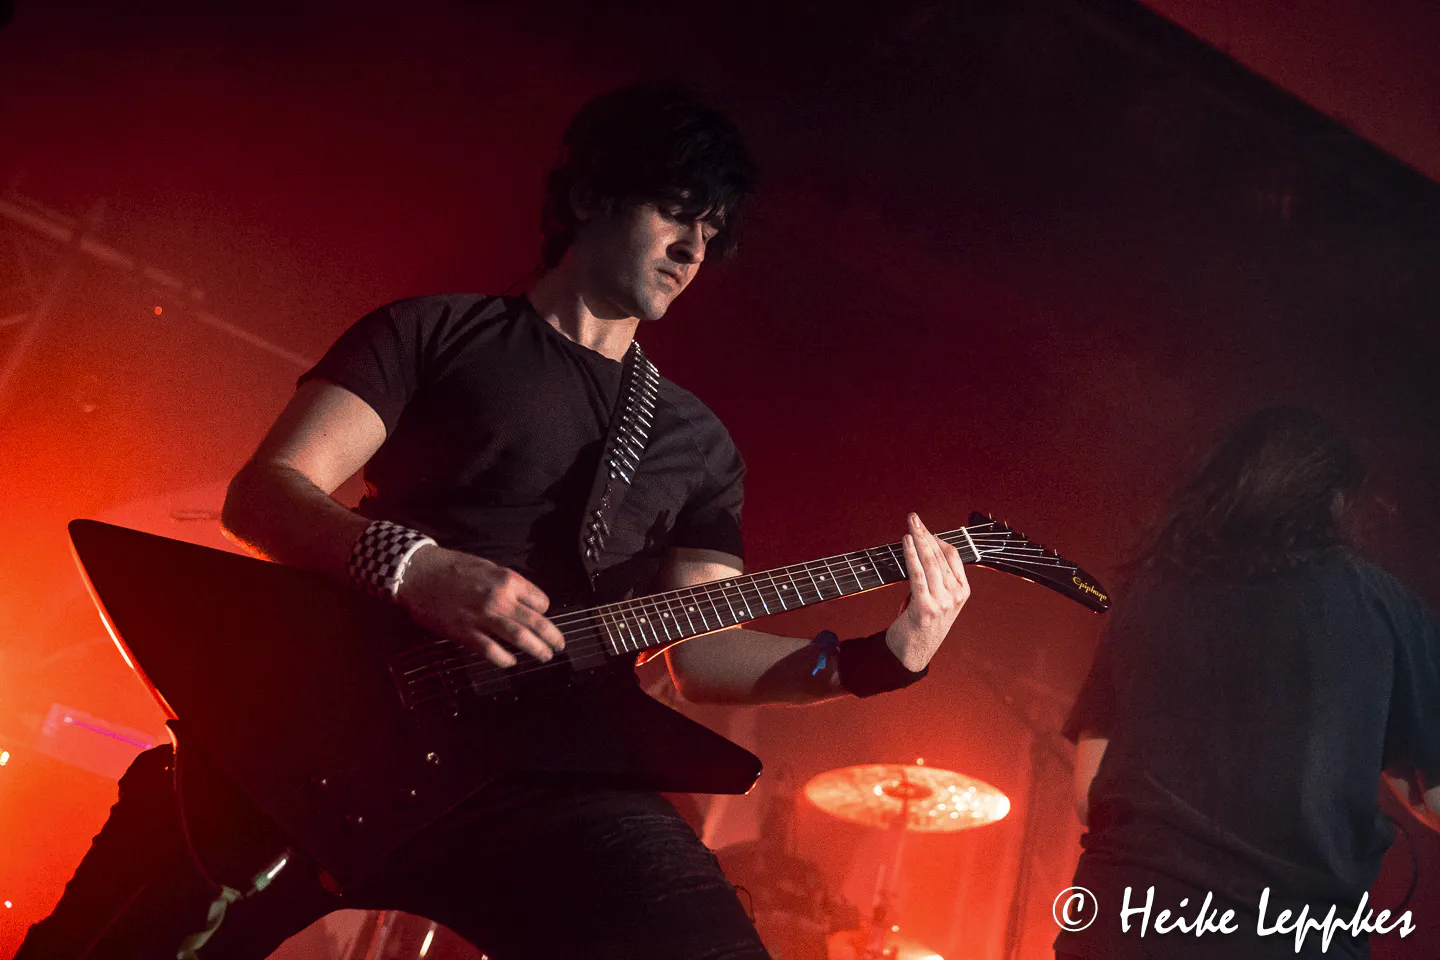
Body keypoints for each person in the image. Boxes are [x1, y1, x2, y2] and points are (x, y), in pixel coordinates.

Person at [19, 83, 972, 960]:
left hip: (550, 779)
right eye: (677, 211)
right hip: (324, 734)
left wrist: (882, 659)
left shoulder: (698, 442)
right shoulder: (432, 332)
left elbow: (704, 655)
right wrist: (415, 568)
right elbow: (265, 494)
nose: (694, 250)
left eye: (712, 230)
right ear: (591, 197)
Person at [1054, 407, 1440, 960]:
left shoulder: (1152, 592)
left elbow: (1089, 794)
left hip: (1122, 928)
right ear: (1337, 499)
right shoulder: (1383, 608)